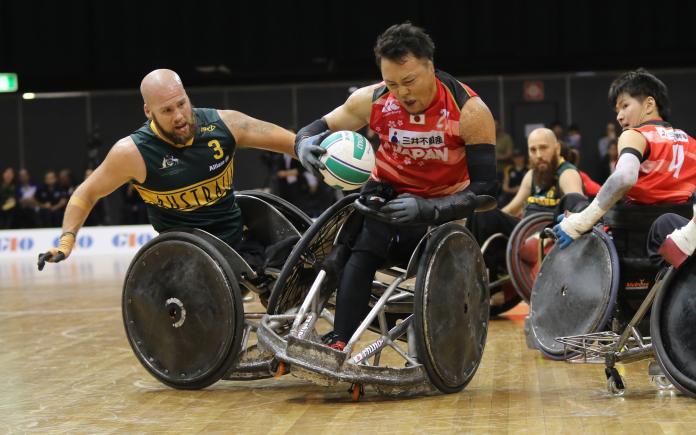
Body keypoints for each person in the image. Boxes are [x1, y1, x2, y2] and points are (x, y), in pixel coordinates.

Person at [294, 23, 498, 351]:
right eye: (392, 83)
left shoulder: (470, 111)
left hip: (442, 209)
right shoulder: (373, 99)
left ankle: (428, 342)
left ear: (430, 67)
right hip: (388, 195)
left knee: (430, 269)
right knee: (361, 246)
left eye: (409, 81)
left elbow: (488, 191)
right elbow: (317, 127)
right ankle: (340, 341)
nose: (402, 93)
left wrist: (429, 209)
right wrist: (302, 143)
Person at [38, 69, 296, 267]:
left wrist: (319, 155)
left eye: (182, 103)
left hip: (238, 244)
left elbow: (291, 143)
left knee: (297, 253)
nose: (180, 116)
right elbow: (86, 193)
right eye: (168, 110)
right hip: (186, 256)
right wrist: (66, 243)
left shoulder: (226, 124)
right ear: (148, 111)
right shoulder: (132, 153)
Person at [553, 69, 696, 269]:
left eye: (625, 106)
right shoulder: (691, 143)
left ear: (649, 104)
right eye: (617, 111)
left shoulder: (635, 135)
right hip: (674, 239)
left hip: (629, 239)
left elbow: (624, 178)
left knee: (572, 201)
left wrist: (581, 221)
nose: (619, 117)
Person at [467, 128, 586, 283]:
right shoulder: (531, 175)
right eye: (533, 150)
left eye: (543, 148)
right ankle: (481, 274)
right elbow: (511, 209)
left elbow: (577, 206)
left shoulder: (567, 173)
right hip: (524, 230)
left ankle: (489, 281)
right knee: (481, 212)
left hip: (548, 232)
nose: (538, 155)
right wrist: (487, 221)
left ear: (556, 149)